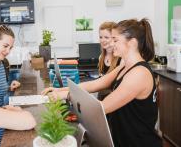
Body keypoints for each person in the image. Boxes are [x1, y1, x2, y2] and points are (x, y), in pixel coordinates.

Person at [42, 18, 162, 147]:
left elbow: (101, 108)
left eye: (115, 40)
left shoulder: (139, 74)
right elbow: (96, 84)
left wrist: (67, 95)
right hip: (124, 140)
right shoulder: (125, 66)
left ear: (132, 43)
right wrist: (60, 90)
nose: (111, 43)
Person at [97, 21, 121, 100]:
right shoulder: (101, 57)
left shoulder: (121, 59)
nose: (102, 40)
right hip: (102, 97)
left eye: (106, 37)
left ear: (114, 38)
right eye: (101, 37)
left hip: (115, 99)